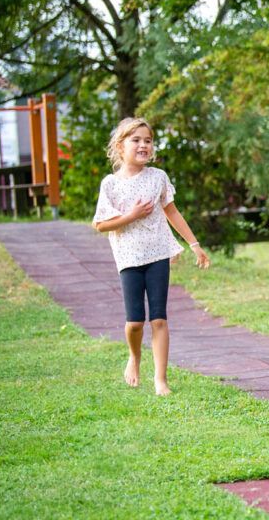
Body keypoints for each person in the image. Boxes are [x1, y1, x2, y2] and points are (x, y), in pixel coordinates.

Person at [92, 118, 210, 395]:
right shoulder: (110, 184)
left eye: (148, 140)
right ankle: (134, 357)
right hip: (128, 259)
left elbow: (172, 212)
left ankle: (161, 380)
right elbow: (99, 224)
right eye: (136, 140)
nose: (143, 145)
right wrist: (130, 216)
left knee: (158, 319)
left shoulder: (158, 178)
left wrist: (194, 244)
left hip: (158, 254)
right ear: (120, 147)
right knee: (135, 322)